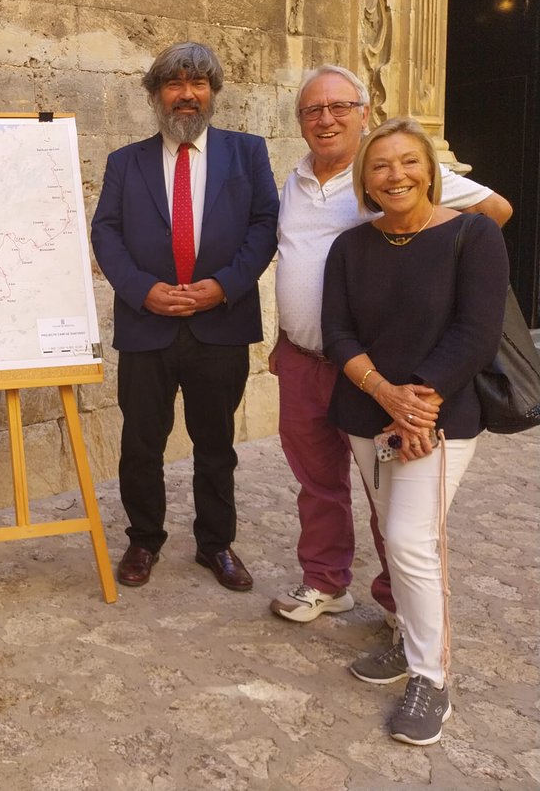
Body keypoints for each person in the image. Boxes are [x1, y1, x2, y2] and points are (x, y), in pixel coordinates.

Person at [270, 66, 513, 626]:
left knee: (391, 495)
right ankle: (326, 582)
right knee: (317, 483)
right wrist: (286, 336)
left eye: (339, 107)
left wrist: (451, 284)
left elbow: (496, 211)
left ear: (363, 113)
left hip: (381, 371)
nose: (326, 119)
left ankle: (398, 604)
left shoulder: (390, 168)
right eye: (313, 110)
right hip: (305, 358)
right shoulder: (294, 181)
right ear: (301, 122)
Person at [322, 117, 508, 745]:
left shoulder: (475, 235)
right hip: (367, 416)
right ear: (365, 180)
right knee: (392, 532)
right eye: (380, 166)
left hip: (440, 419)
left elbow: (476, 331)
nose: (394, 175)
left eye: (408, 162)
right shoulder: (350, 247)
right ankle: (407, 639)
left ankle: (433, 677)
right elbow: (337, 333)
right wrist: (385, 394)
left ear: (430, 170)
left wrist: (417, 405)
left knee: (410, 539)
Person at [90, 41, 279, 592]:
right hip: (147, 327)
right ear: (156, 94)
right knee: (141, 444)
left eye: (198, 84)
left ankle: (215, 543)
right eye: (174, 84)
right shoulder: (125, 162)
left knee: (216, 445)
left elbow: (264, 225)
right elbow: (106, 231)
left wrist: (224, 287)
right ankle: (144, 539)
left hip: (221, 325)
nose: (187, 94)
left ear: (213, 93)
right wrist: (143, 291)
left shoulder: (247, 153)